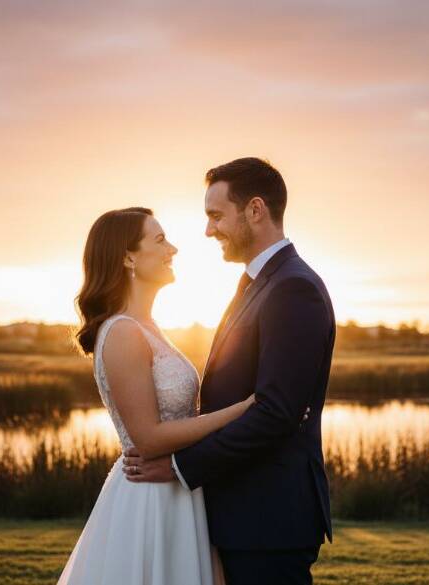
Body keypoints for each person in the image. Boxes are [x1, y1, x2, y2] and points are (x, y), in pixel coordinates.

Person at [124, 158, 335, 585]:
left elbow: (276, 412)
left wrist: (180, 467)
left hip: (268, 520)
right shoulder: (260, 283)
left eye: (216, 216)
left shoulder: (293, 288)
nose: (208, 230)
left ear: (255, 210)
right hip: (243, 515)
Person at [58, 206, 244, 585]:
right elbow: (148, 438)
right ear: (128, 257)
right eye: (159, 240)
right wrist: (242, 410)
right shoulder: (123, 332)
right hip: (150, 500)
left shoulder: (149, 327)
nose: (172, 249)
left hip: (177, 489)